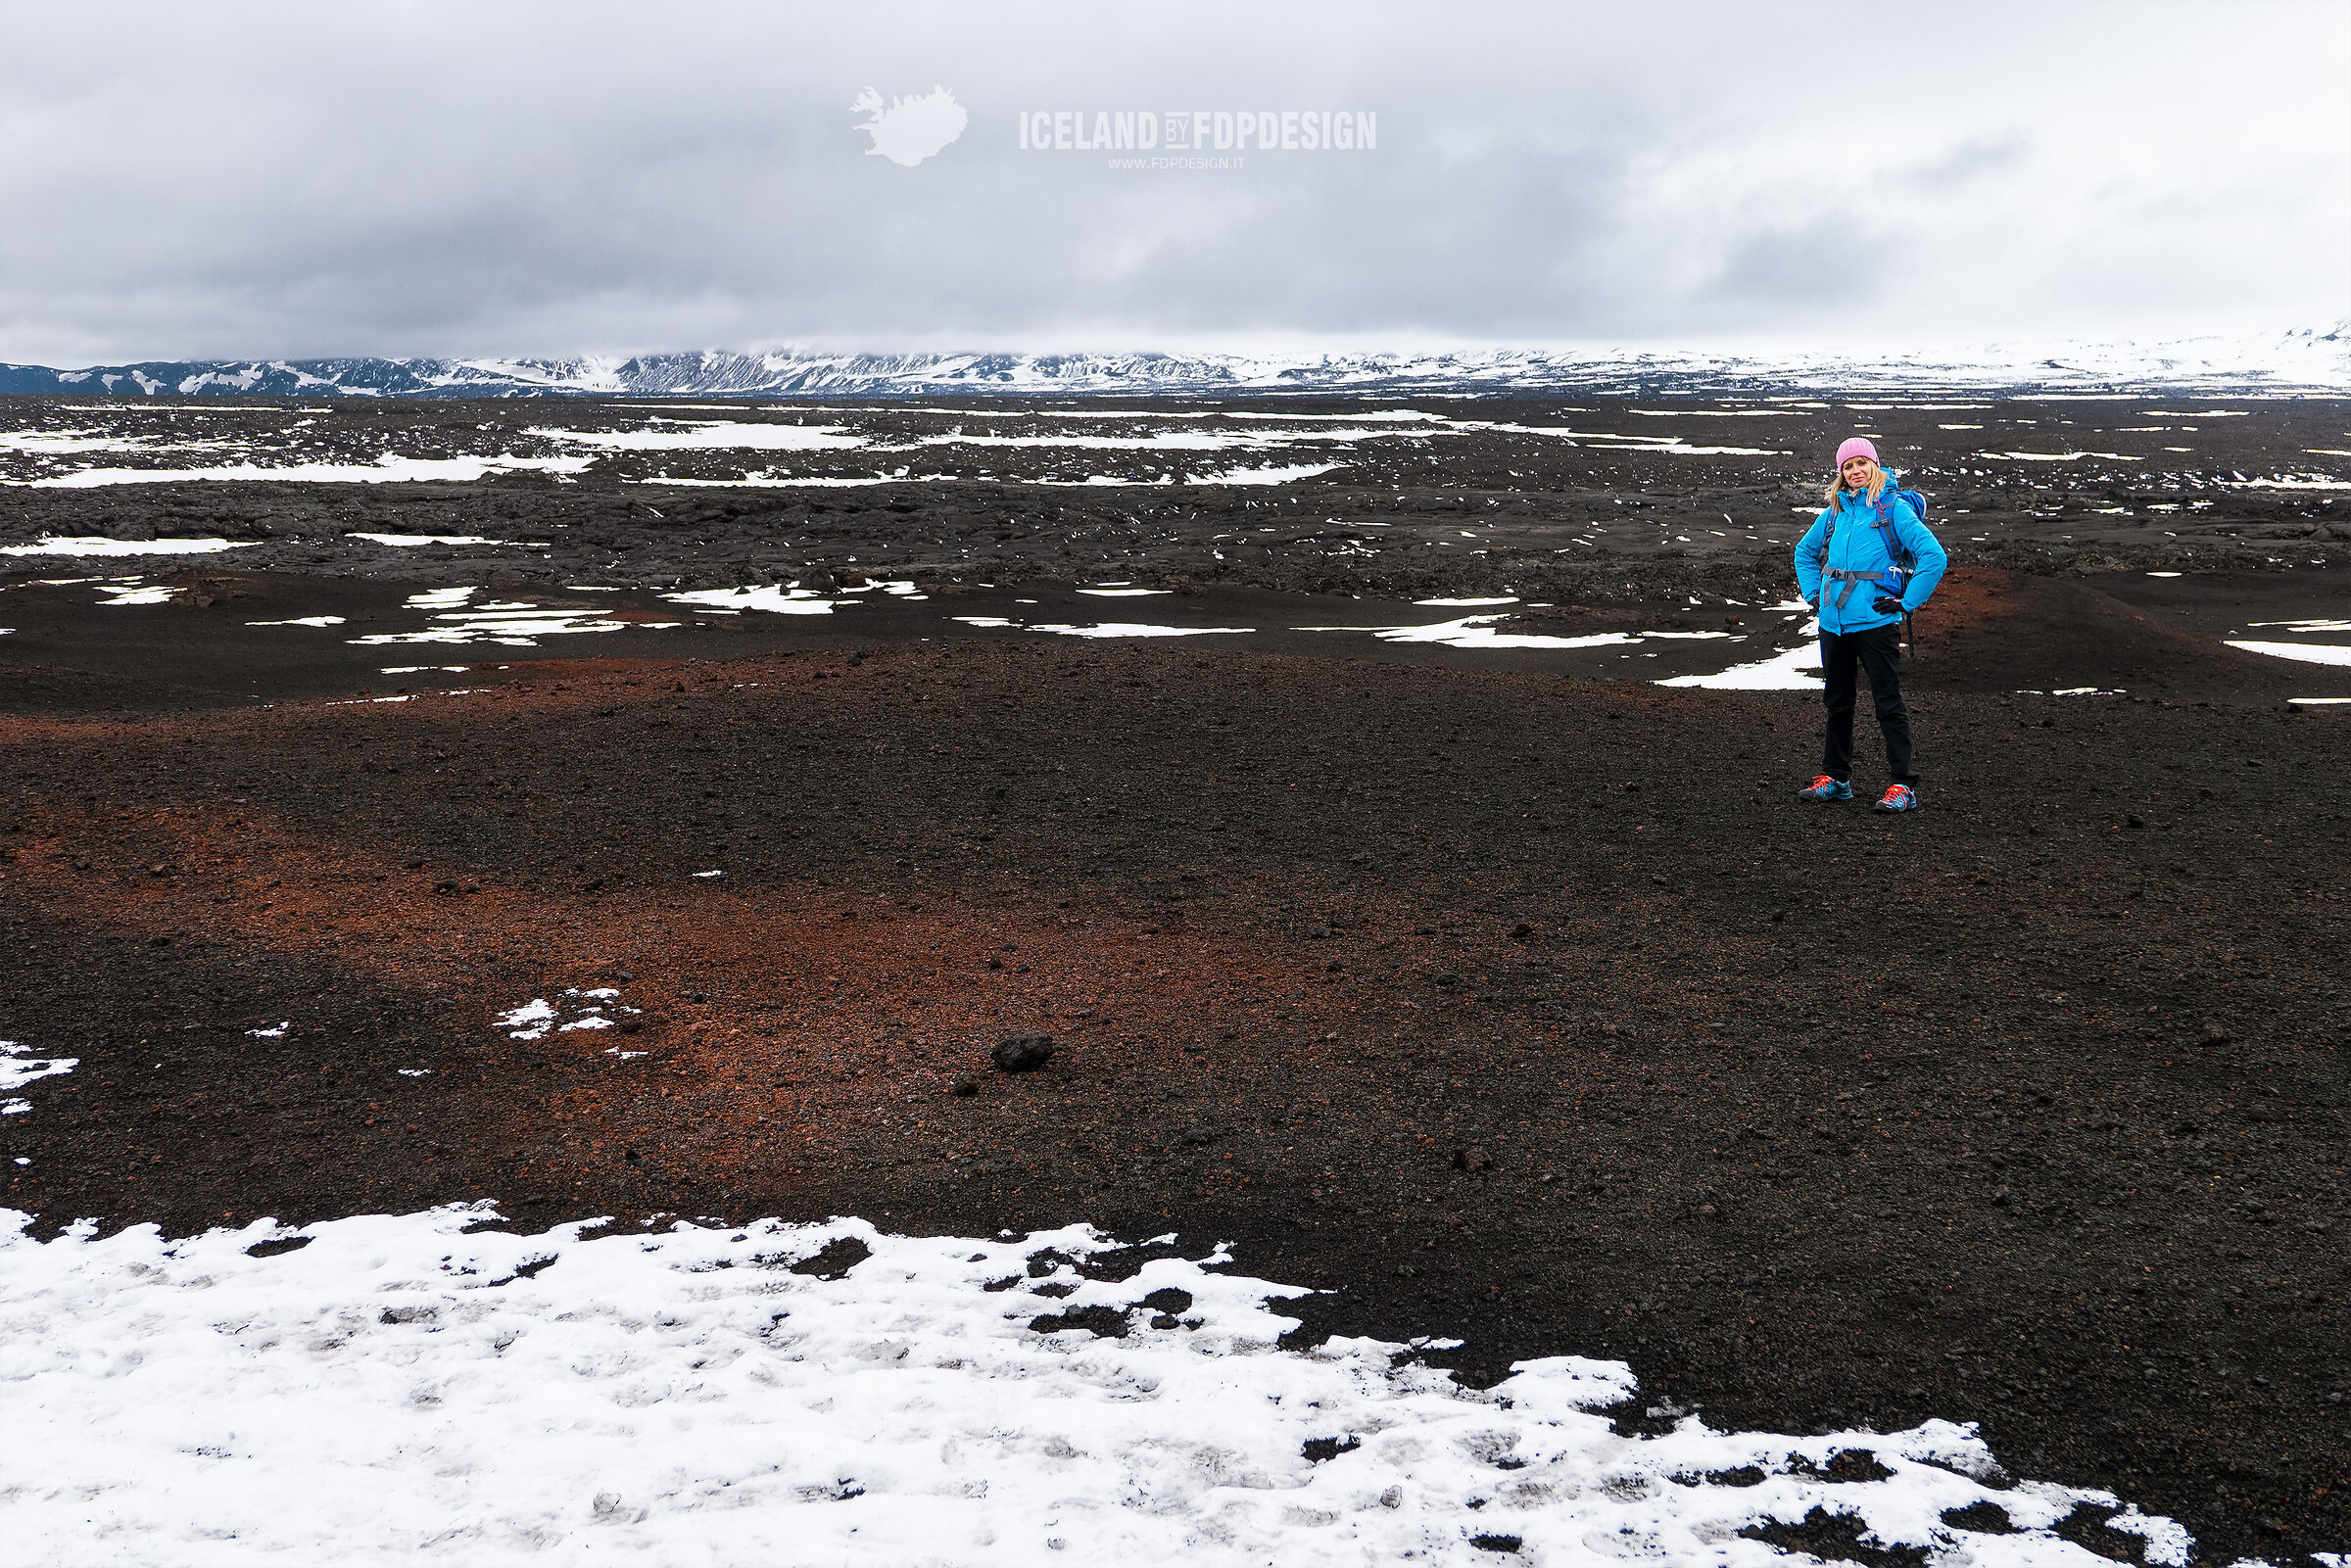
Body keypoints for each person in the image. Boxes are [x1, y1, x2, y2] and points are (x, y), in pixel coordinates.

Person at [1792, 437, 1947, 813]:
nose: (1856, 471)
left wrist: (1907, 603)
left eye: (1862, 463)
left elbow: (1933, 556)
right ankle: (1836, 778)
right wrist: (1816, 596)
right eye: (1848, 466)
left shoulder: (1892, 510)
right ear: (1840, 473)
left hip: (1876, 621)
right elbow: (1804, 552)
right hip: (1834, 623)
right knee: (1837, 701)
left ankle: (1903, 786)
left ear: (1875, 466)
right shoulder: (1835, 512)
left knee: (1887, 703)